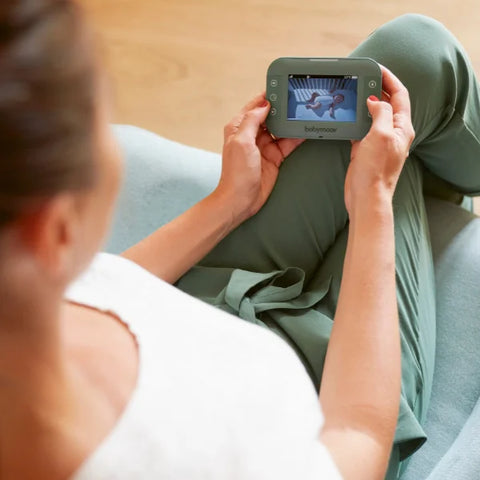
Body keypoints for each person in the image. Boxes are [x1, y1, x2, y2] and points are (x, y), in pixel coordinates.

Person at [0, 2, 479, 479]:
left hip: (214, 293)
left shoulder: (31, 287)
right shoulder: (215, 461)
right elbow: (359, 438)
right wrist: (373, 198)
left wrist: (230, 202)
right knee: (400, 132)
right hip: (337, 398)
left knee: (409, 56)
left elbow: (108, 286)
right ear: (57, 225)